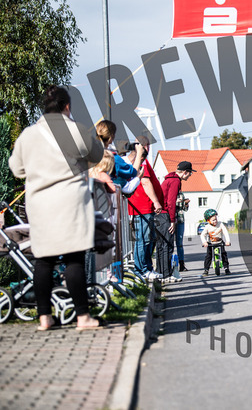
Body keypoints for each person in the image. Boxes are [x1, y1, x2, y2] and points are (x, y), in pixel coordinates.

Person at [9, 85, 105, 331]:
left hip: (40, 204)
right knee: (74, 259)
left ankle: (44, 318)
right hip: (71, 202)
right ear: (67, 106)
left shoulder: (28, 136)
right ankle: (83, 317)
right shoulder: (75, 130)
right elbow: (97, 155)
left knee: (43, 261)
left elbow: (17, 169)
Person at [127, 136, 163, 281]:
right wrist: (156, 201)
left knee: (148, 239)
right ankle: (141, 269)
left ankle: (147, 268)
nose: (147, 148)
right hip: (142, 207)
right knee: (143, 240)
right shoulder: (142, 161)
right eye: (145, 145)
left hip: (144, 207)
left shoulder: (140, 161)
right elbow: (145, 182)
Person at [158, 161, 194, 282]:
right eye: (190, 173)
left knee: (161, 245)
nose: (190, 176)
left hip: (160, 214)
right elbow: (171, 201)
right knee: (167, 245)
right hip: (165, 215)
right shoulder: (175, 181)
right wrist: (173, 220)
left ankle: (161, 273)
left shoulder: (169, 179)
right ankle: (166, 275)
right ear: (185, 172)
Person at [95, 119, 144, 193]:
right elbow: (132, 172)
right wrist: (139, 153)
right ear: (112, 136)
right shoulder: (112, 157)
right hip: (107, 195)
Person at [200, 209, 231, 276]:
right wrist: (204, 242)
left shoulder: (220, 224)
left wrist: (228, 241)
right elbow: (202, 235)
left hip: (220, 242)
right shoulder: (207, 227)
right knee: (208, 256)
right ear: (208, 221)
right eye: (213, 220)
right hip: (210, 243)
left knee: (224, 254)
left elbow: (225, 232)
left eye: (216, 219)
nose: (215, 221)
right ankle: (206, 270)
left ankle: (226, 268)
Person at [175, 191, 190, 272]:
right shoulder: (168, 191)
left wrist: (186, 204)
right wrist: (175, 201)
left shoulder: (180, 194)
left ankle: (182, 264)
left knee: (180, 243)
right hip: (170, 219)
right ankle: (168, 265)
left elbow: (185, 209)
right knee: (169, 243)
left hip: (180, 220)